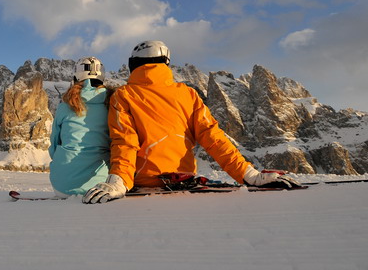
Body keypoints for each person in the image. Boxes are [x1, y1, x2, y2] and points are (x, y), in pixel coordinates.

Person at [83, 40, 301, 204]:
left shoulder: (124, 95)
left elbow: (124, 143)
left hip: (143, 183)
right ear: (165, 63)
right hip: (181, 180)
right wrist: (247, 174)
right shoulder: (188, 94)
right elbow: (213, 137)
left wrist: (119, 181)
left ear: (133, 65)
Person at [48, 56, 113, 197]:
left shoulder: (65, 106)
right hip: (101, 187)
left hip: (61, 186)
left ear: (76, 78)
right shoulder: (112, 105)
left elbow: (53, 146)